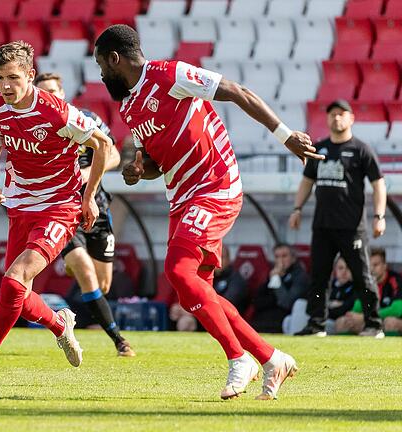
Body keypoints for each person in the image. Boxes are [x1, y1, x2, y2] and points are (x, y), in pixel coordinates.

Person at [94, 24, 323, 400]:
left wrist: (286, 136)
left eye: (102, 65)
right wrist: (139, 170)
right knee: (194, 290)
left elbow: (237, 91)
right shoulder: (129, 107)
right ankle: (271, 358)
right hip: (182, 197)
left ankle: (238, 358)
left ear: (114, 59)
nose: (101, 74)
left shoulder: (171, 75)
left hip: (216, 185)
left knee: (178, 271)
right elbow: (152, 161)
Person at [0, 41, 113, 389]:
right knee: (17, 296)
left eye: (13, 77)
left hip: (60, 206)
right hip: (20, 205)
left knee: (13, 281)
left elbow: (102, 145)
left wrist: (89, 197)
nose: (6, 86)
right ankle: (59, 325)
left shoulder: (57, 112)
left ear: (31, 75)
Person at [34, 72, 135, 357]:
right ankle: (119, 341)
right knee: (86, 273)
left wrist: (86, 175)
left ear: (63, 93)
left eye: (53, 91)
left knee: (103, 284)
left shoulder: (84, 118)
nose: (49, 97)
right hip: (63, 212)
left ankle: (74, 272)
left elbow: (112, 154)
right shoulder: (35, 128)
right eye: (42, 93)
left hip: (97, 207)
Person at [291, 99, 386, 338]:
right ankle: (316, 324)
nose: (337, 118)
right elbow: (306, 182)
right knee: (319, 277)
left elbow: (379, 185)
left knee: (362, 277)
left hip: (352, 227)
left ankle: (373, 324)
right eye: (332, 113)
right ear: (327, 118)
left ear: (351, 119)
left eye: (342, 114)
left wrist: (379, 216)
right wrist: (297, 209)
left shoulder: (361, 150)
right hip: (322, 226)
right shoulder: (319, 148)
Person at [170, 246, 249, 332]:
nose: (217, 260)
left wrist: (192, 311)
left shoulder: (236, 279)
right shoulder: (206, 276)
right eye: (214, 257)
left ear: (229, 260)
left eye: (221, 257)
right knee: (180, 314)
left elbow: (225, 306)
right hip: (205, 318)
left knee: (186, 322)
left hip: (225, 322)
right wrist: (183, 308)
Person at [335, 248, 401, 336]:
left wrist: (364, 317)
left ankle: (389, 349)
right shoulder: (366, 282)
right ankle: (352, 349)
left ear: (385, 266)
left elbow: (398, 309)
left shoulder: (396, 280)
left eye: (375, 265)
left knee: (390, 322)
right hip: (375, 318)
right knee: (342, 323)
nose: (372, 269)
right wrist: (352, 318)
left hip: (394, 319)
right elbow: (357, 307)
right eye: (369, 265)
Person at [250, 244, 309, 333]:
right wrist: (271, 280)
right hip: (265, 316)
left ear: (293, 258)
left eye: (284, 256)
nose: (280, 260)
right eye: (277, 257)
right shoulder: (272, 273)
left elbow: (287, 303)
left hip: (286, 318)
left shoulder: (300, 276)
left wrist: (276, 280)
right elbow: (256, 302)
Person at [325, 256, 356, 334]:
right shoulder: (329, 285)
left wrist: (329, 305)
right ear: (335, 269)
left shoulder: (357, 287)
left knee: (324, 325)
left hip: (338, 322)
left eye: (348, 268)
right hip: (326, 318)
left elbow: (345, 309)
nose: (344, 272)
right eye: (341, 268)